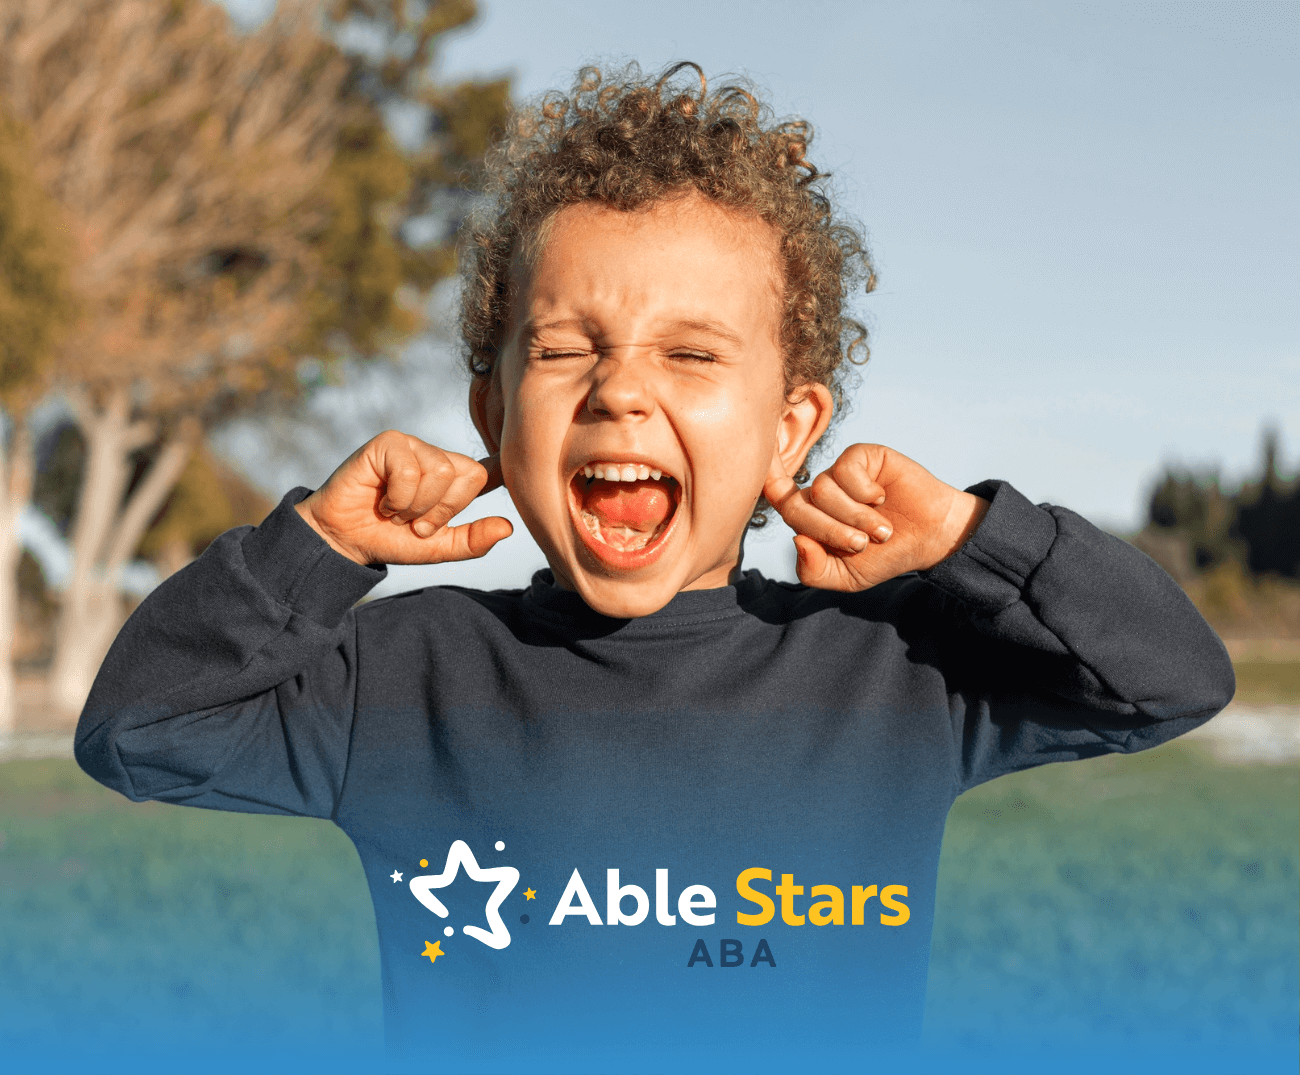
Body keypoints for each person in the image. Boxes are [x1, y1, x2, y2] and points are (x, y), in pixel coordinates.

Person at [74, 63, 1233, 1073]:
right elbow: (138, 728)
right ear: (493, 413)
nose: (619, 389)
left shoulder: (890, 669)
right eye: (565, 348)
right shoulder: (408, 677)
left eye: (690, 354)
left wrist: (973, 542)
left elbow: (1168, 677)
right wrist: (315, 549)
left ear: (790, 426)